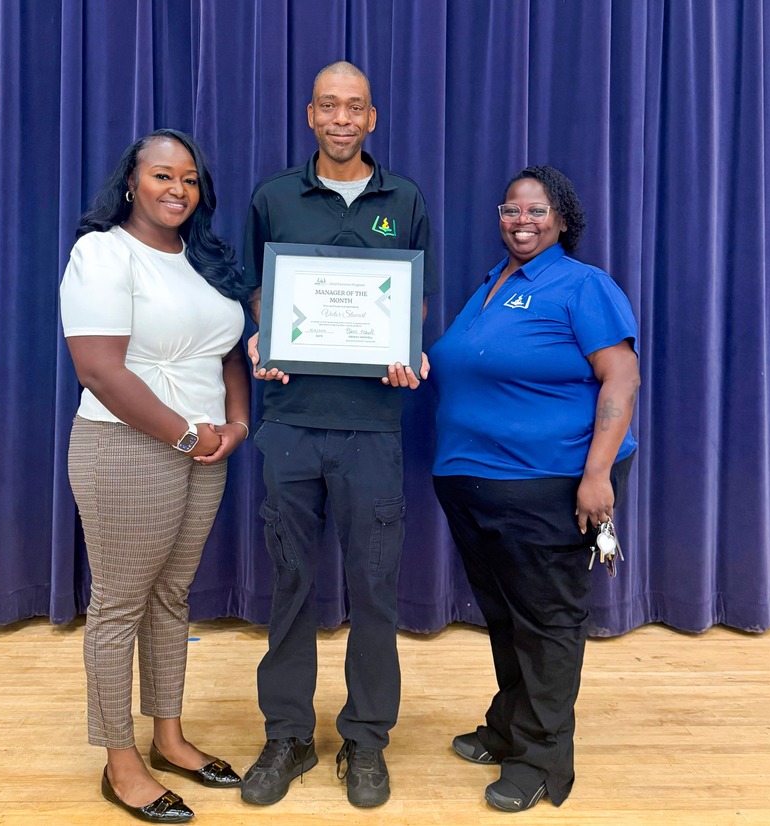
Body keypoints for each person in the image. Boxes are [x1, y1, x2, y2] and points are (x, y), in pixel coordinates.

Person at [238, 61, 438, 809]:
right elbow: (259, 286)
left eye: (355, 107)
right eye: (330, 106)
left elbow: (415, 301)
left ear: (373, 118)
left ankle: (365, 740)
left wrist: (407, 349)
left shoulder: (406, 199)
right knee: (290, 584)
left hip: (372, 428)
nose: (343, 118)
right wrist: (264, 333)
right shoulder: (274, 197)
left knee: (375, 591)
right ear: (311, 114)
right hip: (289, 424)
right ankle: (287, 735)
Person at [429, 165, 640, 813]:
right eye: (511, 210)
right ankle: (508, 724)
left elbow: (621, 378)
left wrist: (598, 473)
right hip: (472, 483)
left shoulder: (583, 285)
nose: (522, 221)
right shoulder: (491, 283)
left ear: (563, 220)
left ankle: (545, 759)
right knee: (504, 617)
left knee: (546, 623)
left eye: (536, 211)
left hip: (548, 485)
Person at [60, 129, 250, 823]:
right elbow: (99, 369)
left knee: (171, 597)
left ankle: (168, 737)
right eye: (163, 176)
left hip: (204, 448)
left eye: (190, 180)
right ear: (131, 182)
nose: (177, 190)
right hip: (127, 446)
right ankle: (121, 760)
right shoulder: (102, 252)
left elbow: (227, 349)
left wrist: (236, 424)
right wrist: (183, 432)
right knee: (120, 605)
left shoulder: (202, 257)